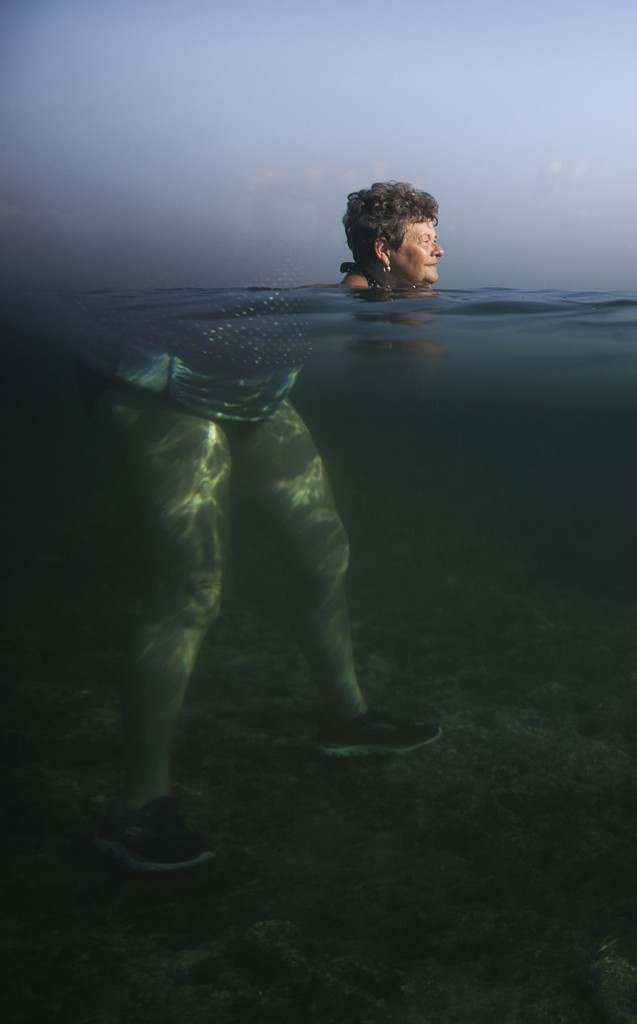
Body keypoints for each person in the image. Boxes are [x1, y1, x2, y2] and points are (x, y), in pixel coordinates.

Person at [83, 181, 446, 872]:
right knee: (189, 590)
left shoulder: (373, 295)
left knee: (322, 554)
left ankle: (346, 721)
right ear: (383, 251)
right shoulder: (325, 296)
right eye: (427, 239)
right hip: (160, 385)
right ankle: (136, 807)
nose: (441, 248)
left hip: (251, 394)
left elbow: (401, 365)